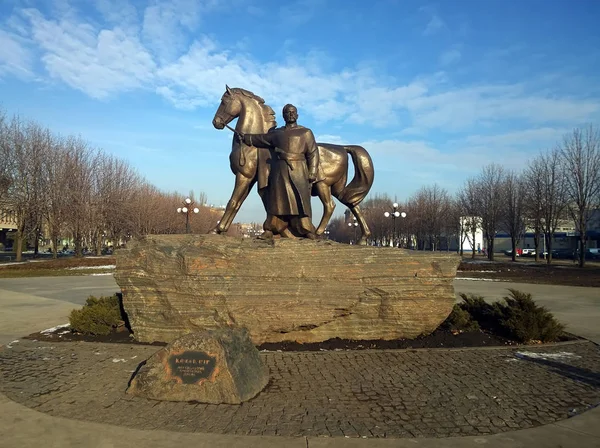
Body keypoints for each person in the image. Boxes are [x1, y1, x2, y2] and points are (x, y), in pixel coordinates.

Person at [240, 104, 319, 239]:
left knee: (301, 201)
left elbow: (313, 153)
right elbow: (261, 139)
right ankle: (271, 228)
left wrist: (312, 171)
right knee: (276, 200)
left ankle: (306, 229)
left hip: (299, 169)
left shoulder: (306, 132)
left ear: (297, 115)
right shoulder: (277, 133)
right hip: (280, 170)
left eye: (293, 112)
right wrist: (247, 137)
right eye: (287, 113)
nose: (291, 114)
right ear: (283, 116)